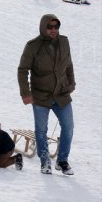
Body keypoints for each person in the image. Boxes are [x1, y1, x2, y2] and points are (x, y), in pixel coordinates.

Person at [18, 14, 75, 175]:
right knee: (41, 130)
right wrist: (25, 93)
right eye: (50, 27)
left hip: (62, 94)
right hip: (40, 95)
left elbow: (69, 65)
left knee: (68, 127)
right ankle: (45, 161)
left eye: (56, 26)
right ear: (43, 27)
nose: (53, 30)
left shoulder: (64, 41)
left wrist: (71, 84)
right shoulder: (33, 46)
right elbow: (22, 70)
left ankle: (62, 161)